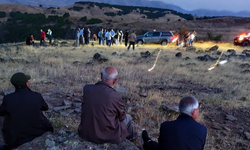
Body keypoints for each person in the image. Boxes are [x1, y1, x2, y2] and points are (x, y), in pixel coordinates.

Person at [78, 67, 137, 144]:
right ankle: (130, 138)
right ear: (115, 80)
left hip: (85, 133)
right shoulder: (115, 96)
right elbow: (122, 117)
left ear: (101, 75)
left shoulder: (87, 88)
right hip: (106, 137)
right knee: (128, 117)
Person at [0, 72, 54, 150]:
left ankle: (4, 142)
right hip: (40, 133)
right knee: (41, 109)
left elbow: (1, 112)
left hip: (15, 139)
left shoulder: (8, 99)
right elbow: (45, 108)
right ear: (27, 83)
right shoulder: (37, 95)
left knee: (4, 114)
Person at [141, 96, 207, 150]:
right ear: (194, 111)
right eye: (198, 109)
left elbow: (162, 147)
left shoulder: (165, 126)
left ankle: (147, 143)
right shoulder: (202, 130)